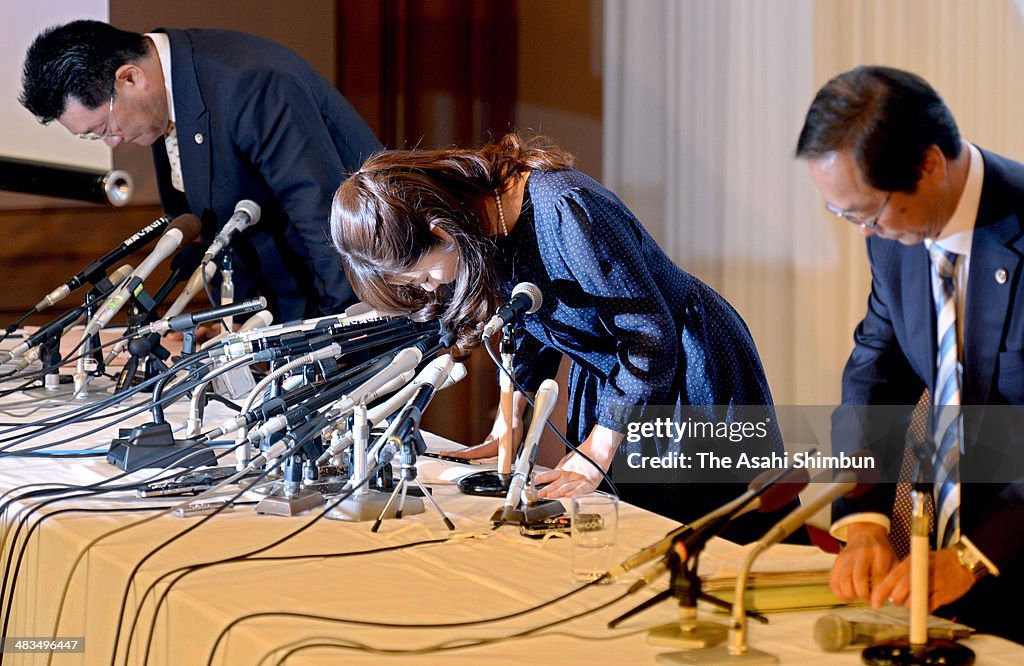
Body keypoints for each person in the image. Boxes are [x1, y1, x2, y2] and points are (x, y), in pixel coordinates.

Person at [328, 132, 789, 537]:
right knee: (624, 527)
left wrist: (600, 445)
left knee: (712, 530)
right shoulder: (487, 222)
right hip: (621, 375)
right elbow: (530, 317)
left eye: (422, 276)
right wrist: (507, 423)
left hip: (684, 365)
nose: (432, 287)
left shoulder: (564, 208)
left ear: (441, 231)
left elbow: (648, 335)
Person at [796, 65, 1024, 643]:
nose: (863, 233)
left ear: (928, 164)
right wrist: (866, 520)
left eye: (868, 212)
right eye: (842, 215)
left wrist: (974, 556)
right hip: (936, 580)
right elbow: (876, 372)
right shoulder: (896, 242)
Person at [19, 20, 382, 323]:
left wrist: (331, 341)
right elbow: (223, 223)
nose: (112, 142)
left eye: (103, 128)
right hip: (289, 306)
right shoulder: (170, 91)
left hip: (353, 306)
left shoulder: (248, 83)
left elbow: (328, 221)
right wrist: (228, 325)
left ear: (130, 78)